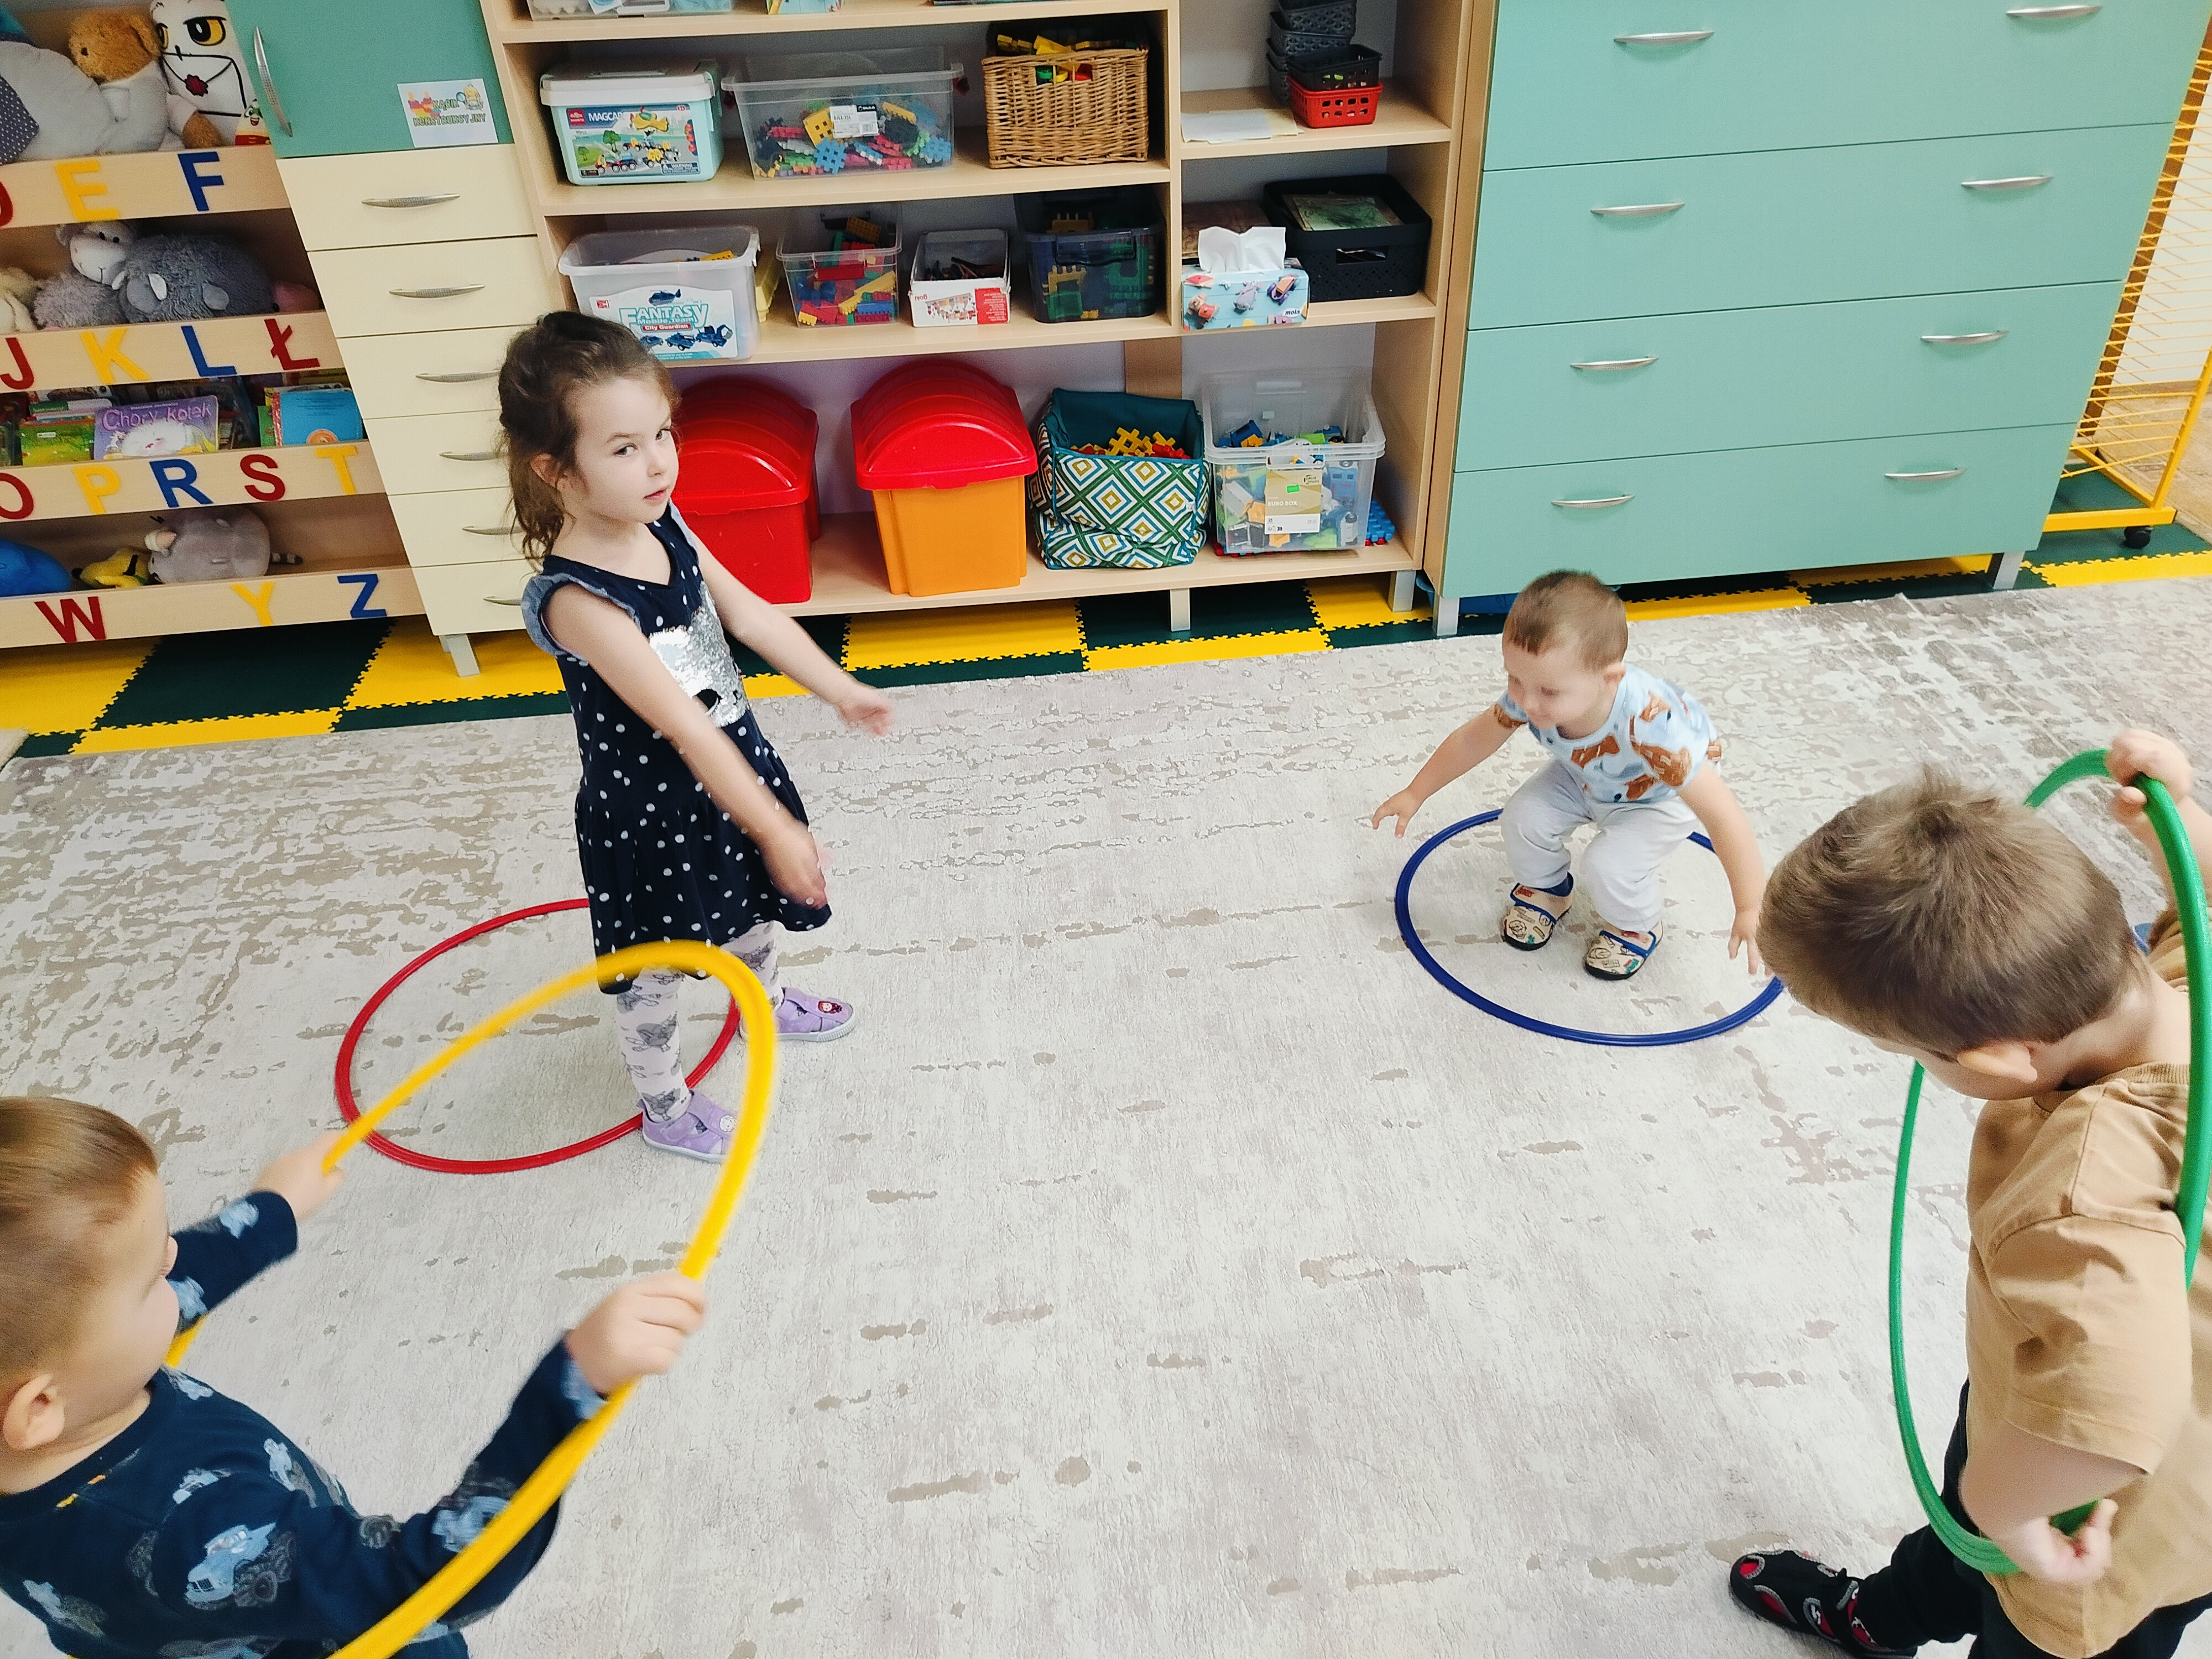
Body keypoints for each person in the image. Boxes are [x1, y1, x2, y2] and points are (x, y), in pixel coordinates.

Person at [1729, 729, 2212, 1659]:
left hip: (2106, 1527)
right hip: (2050, 1410)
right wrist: (2175, 814)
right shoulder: (2187, 974)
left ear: (1998, 1062)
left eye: (1910, 1053)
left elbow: (2118, 1413)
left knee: (2002, 1556)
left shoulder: (2086, 1189)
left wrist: (2007, 1510)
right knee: (1971, 1511)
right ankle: (1888, 1616)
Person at [0, 1095, 706, 1657]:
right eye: (149, 1275)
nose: (172, 1259)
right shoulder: (194, 1533)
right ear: (38, 1409)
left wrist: (267, 1214)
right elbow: (425, 1585)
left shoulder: (66, 1382)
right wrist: (572, 1385)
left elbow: (150, 1295)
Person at [501, 313, 894, 1162]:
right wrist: (774, 827)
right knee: (656, 973)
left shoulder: (664, 524)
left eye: (663, 434)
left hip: (730, 769)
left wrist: (840, 690)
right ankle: (665, 1106)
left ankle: (762, 1005)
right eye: (623, 448)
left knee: (751, 911)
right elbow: (680, 725)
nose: (658, 463)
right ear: (554, 469)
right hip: (655, 814)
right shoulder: (579, 600)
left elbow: (749, 613)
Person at [1371, 570, 1765, 980]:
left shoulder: (1655, 729)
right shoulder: (1535, 690)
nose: (1526, 701)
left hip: (1659, 797)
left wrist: (1749, 906)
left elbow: (1723, 815)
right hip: (1587, 773)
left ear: (1609, 680)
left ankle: (1638, 925)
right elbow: (1473, 740)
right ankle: (1548, 891)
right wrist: (1416, 792)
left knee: (1609, 867)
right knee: (1522, 819)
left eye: (1549, 691)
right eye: (1514, 678)